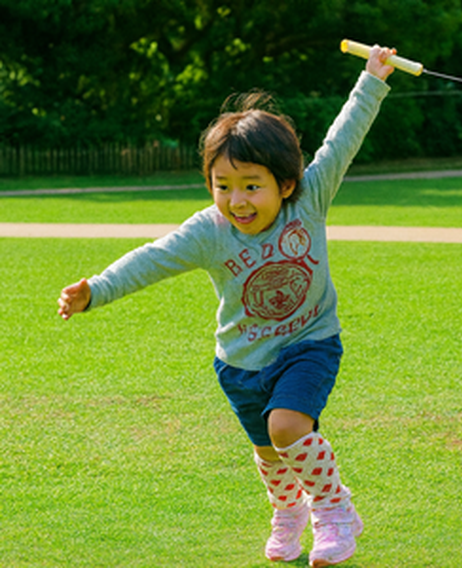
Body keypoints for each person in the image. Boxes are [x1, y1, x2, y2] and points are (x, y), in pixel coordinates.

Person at [57, 46, 397, 566]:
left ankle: (334, 509)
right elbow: (152, 259)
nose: (238, 200)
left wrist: (372, 78)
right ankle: (288, 512)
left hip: (309, 344)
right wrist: (96, 290)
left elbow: (343, 138)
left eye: (252, 186)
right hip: (240, 364)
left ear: (285, 184)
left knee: (288, 427)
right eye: (224, 186)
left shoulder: (309, 200)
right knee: (269, 454)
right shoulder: (209, 232)